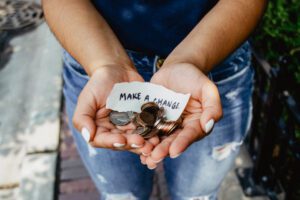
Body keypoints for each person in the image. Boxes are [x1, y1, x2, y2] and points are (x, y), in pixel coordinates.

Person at [43, 0, 267, 199]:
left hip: (214, 62)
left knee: (197, 196)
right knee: (120, 196)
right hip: (95, 64)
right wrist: (105, 65)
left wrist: (190, 60)